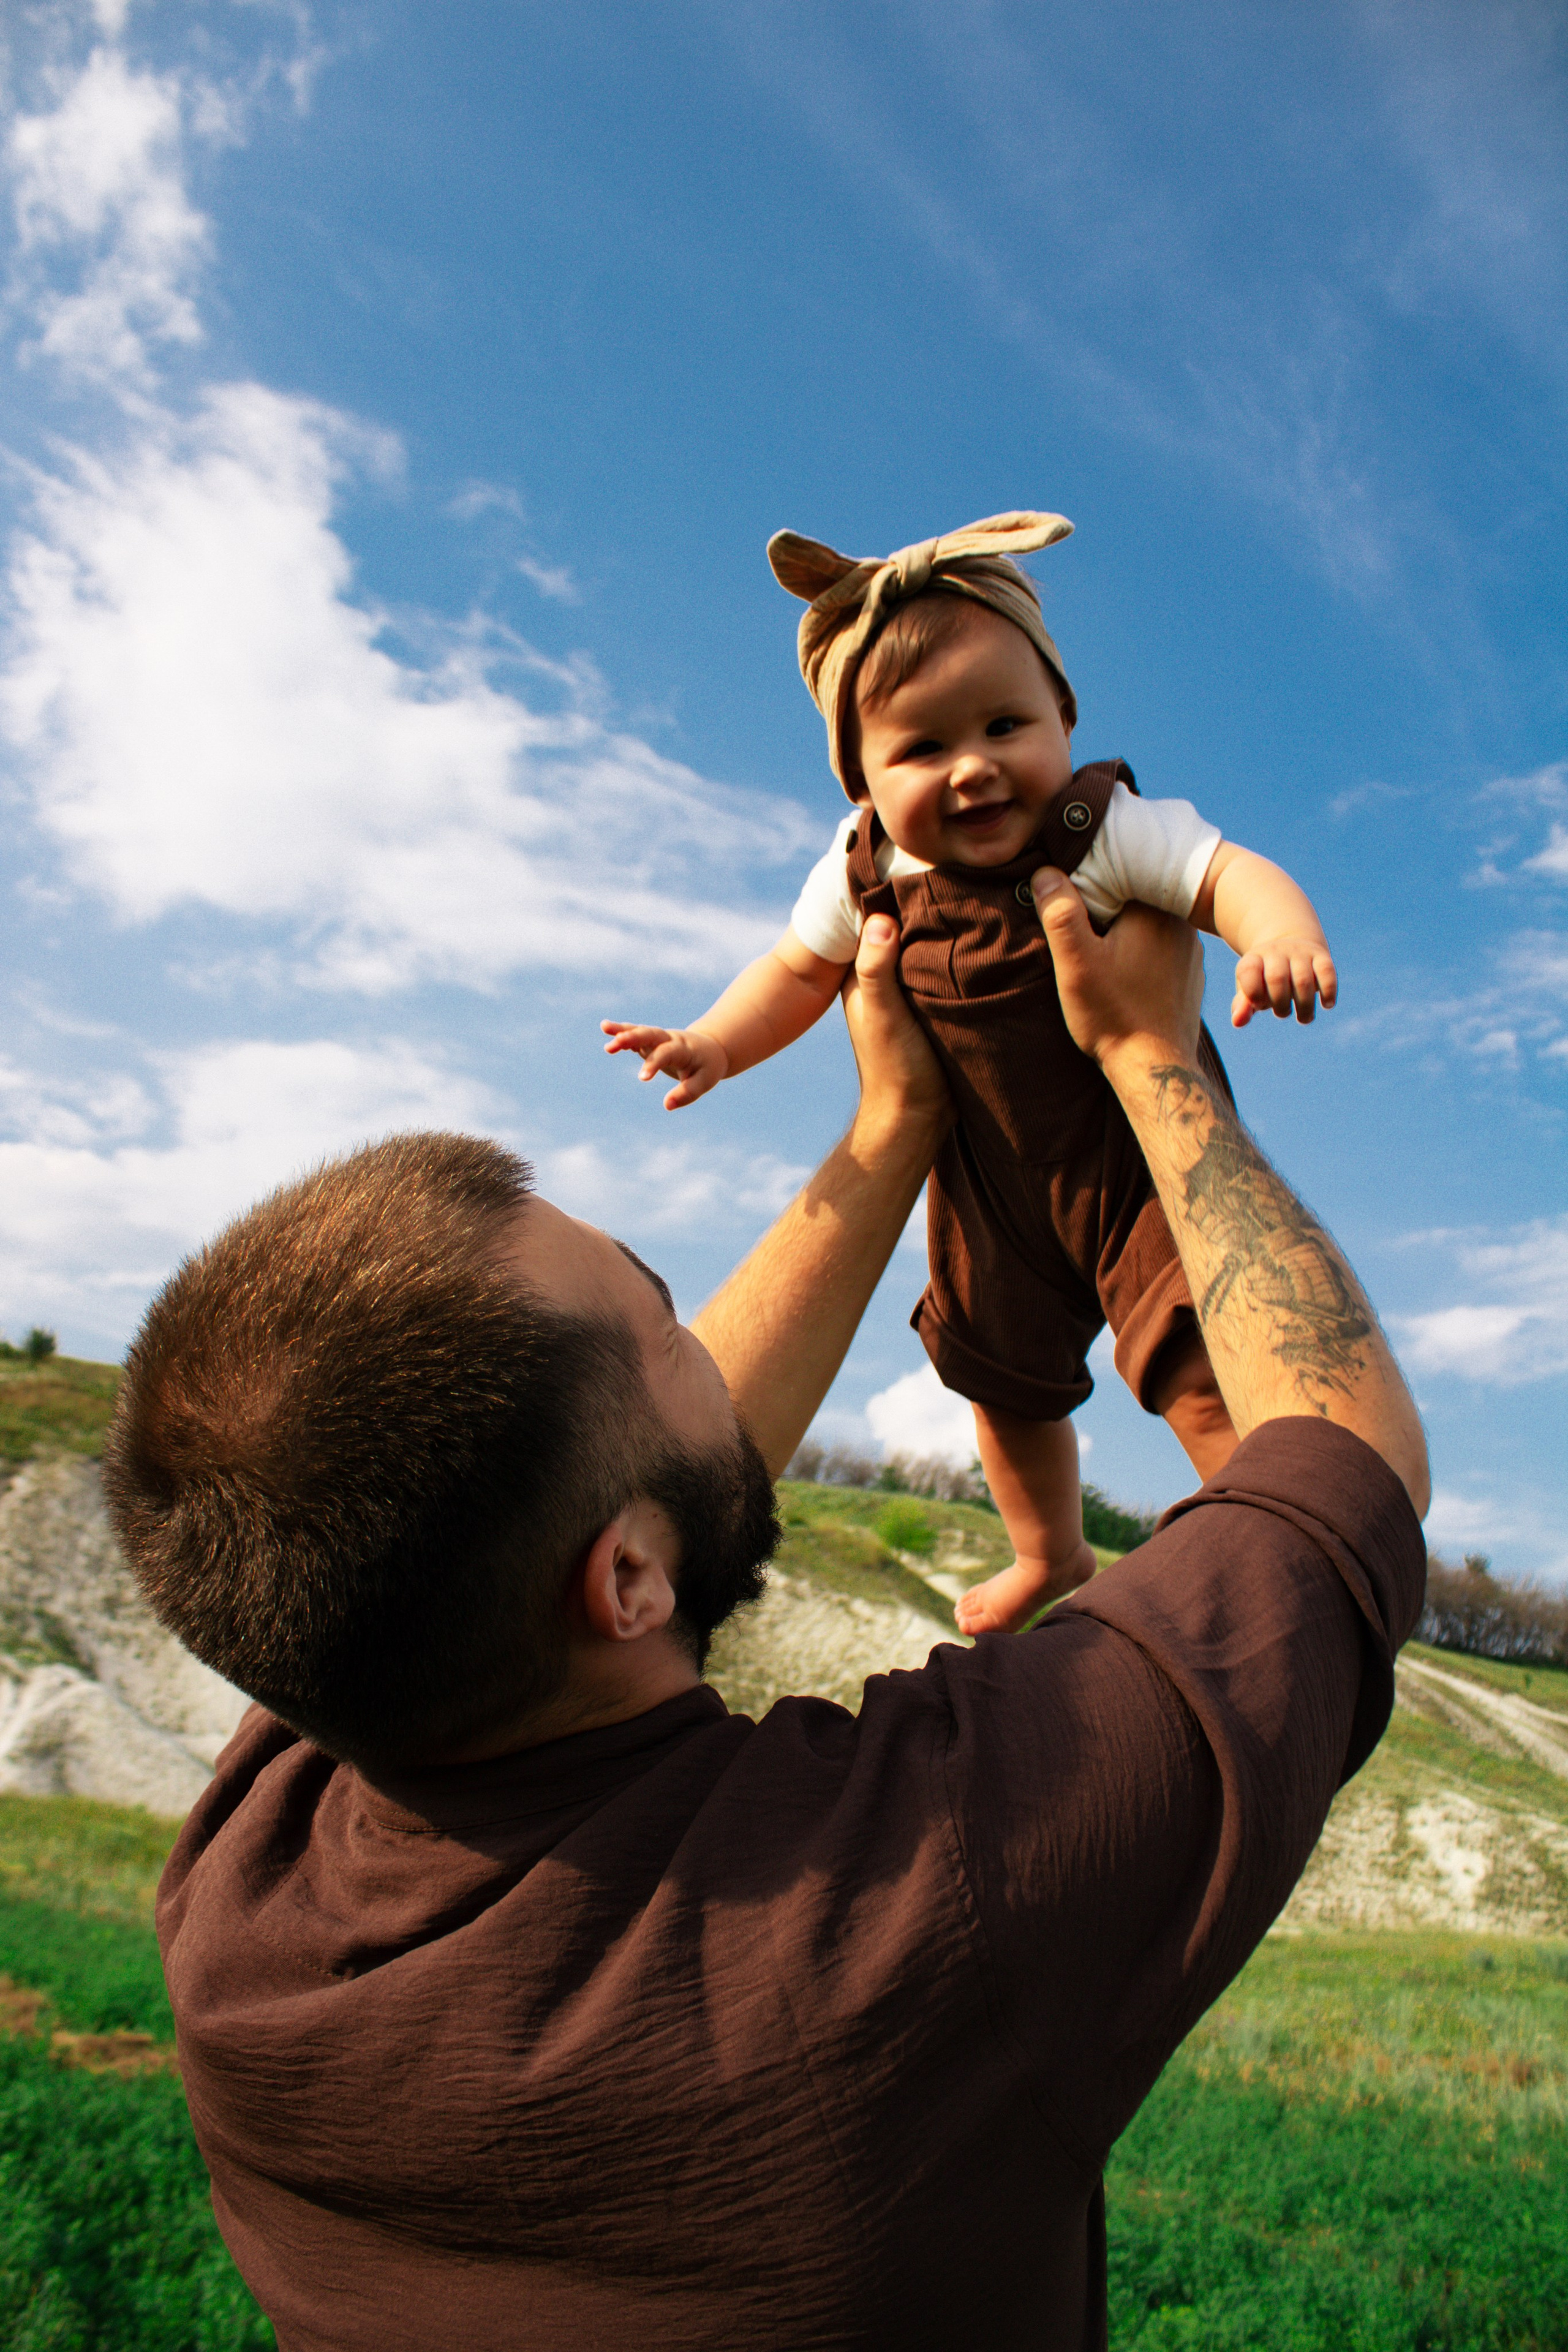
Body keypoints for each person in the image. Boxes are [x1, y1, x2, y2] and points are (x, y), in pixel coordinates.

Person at [104, 884, 1427, 2352]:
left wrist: (894, 1128)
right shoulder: (914, 1905)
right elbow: (1339, 1476)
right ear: (626, 1585)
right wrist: (1151, 1058)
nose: (701, 1347)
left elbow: (608, 1488)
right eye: (666, 1325)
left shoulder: (248, 1879)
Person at [603, 513, 1338, 1637]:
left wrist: (1276, 935)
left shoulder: (1102, 830)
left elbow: (1225, 873)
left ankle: (1270, 1549)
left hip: (1135, 1165)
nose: (975, 766)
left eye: (1006, 725)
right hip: (987, 1191)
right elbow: (795, 973)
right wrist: (713, 1042)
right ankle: (1049, 1552)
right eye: (923, 749)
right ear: (860, 781)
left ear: (1064, 720)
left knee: (1198, 1358)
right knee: (1000, 1385)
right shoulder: (863, 872)